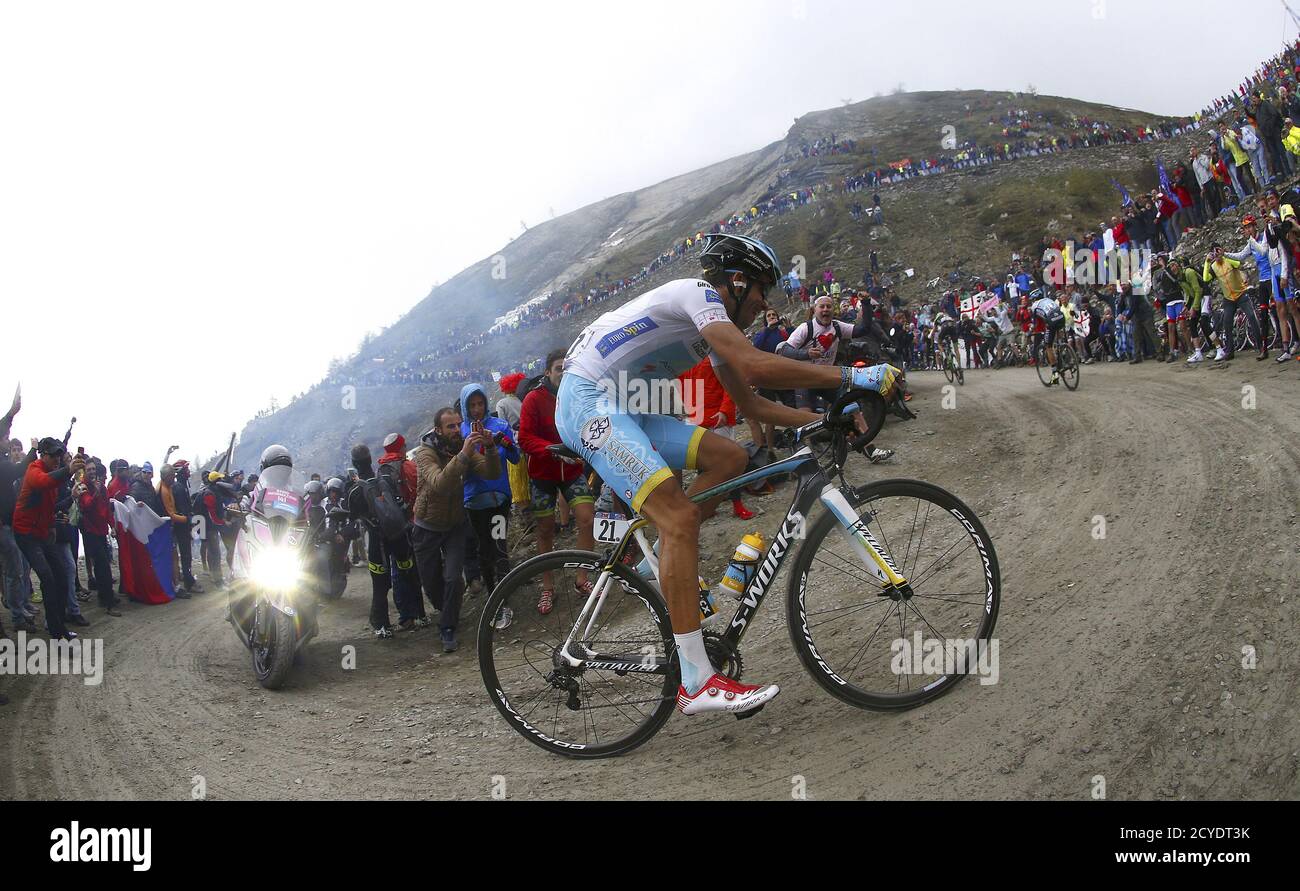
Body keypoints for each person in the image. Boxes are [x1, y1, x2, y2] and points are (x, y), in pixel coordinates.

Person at [557, 233, 901, 716]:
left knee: (729, 458)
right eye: (761, 290)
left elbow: (751, 402)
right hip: (586, 403)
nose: (764, 304)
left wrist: (821, 421)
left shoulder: (711, 329)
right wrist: (854, 377)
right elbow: (755, 364)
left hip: (623, 408)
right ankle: (697, 681)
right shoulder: (697, 295)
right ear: (736, 282)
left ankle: (657, 566)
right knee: (679, 518)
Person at [518, 350, 598, 616]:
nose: (563, 373)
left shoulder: (576, 395)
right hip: (542, 474)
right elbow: (525, 438)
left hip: (572, 470)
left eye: (567, 368)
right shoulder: (533, 399)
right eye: (558, 368)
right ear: (548, 373)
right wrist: (552, 449)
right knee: (545, 530)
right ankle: (548, 586)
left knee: (587, 518)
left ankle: (581, 578)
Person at [410, 410, 498, 651]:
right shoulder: (424, 453)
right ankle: (444, 609)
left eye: (459, 425)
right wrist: (463, 455)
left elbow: (492, 473)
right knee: (431, 583)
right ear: (438, 430)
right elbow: (439, 484)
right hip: (426, 525)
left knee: (453, 578)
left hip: (456, 525)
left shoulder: (463, 447)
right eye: (450, 427)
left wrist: (490, 448)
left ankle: (448, 627)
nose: (457, 430)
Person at [345, 443, 421, 639]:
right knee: (408, 573)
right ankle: (417, 615)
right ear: (371, 459)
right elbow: (401, 502)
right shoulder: (385, 478)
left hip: (376, 542)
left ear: (354, 463)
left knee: (379, 584)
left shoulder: (355, 490)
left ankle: (382, 625)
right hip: (399, 536)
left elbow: (353, 516)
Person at [13, 437, 85, 640]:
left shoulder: (54, 476)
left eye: (59, 455)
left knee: (61, 576)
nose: (57, 458)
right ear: (42, 455)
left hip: (41, 532)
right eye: (53, 455)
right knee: (47, 576)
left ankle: (58, 626)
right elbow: (44, 482)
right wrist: (68, 470)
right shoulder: (34, 470)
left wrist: (52, 525)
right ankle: (56, 631)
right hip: (25, 533)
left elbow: (49, 506)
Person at [457, 384, 520, 605]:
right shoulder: (460, 432)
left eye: (480, 403)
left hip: (500, 498)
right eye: (472, 405)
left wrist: (500, 440)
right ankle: (494, 598)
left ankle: (504, 599)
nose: (477, 409)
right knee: (485, 548)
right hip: (474, 501)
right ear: (465, 406)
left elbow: (515, 457)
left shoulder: (499, 425)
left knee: (499, 544)